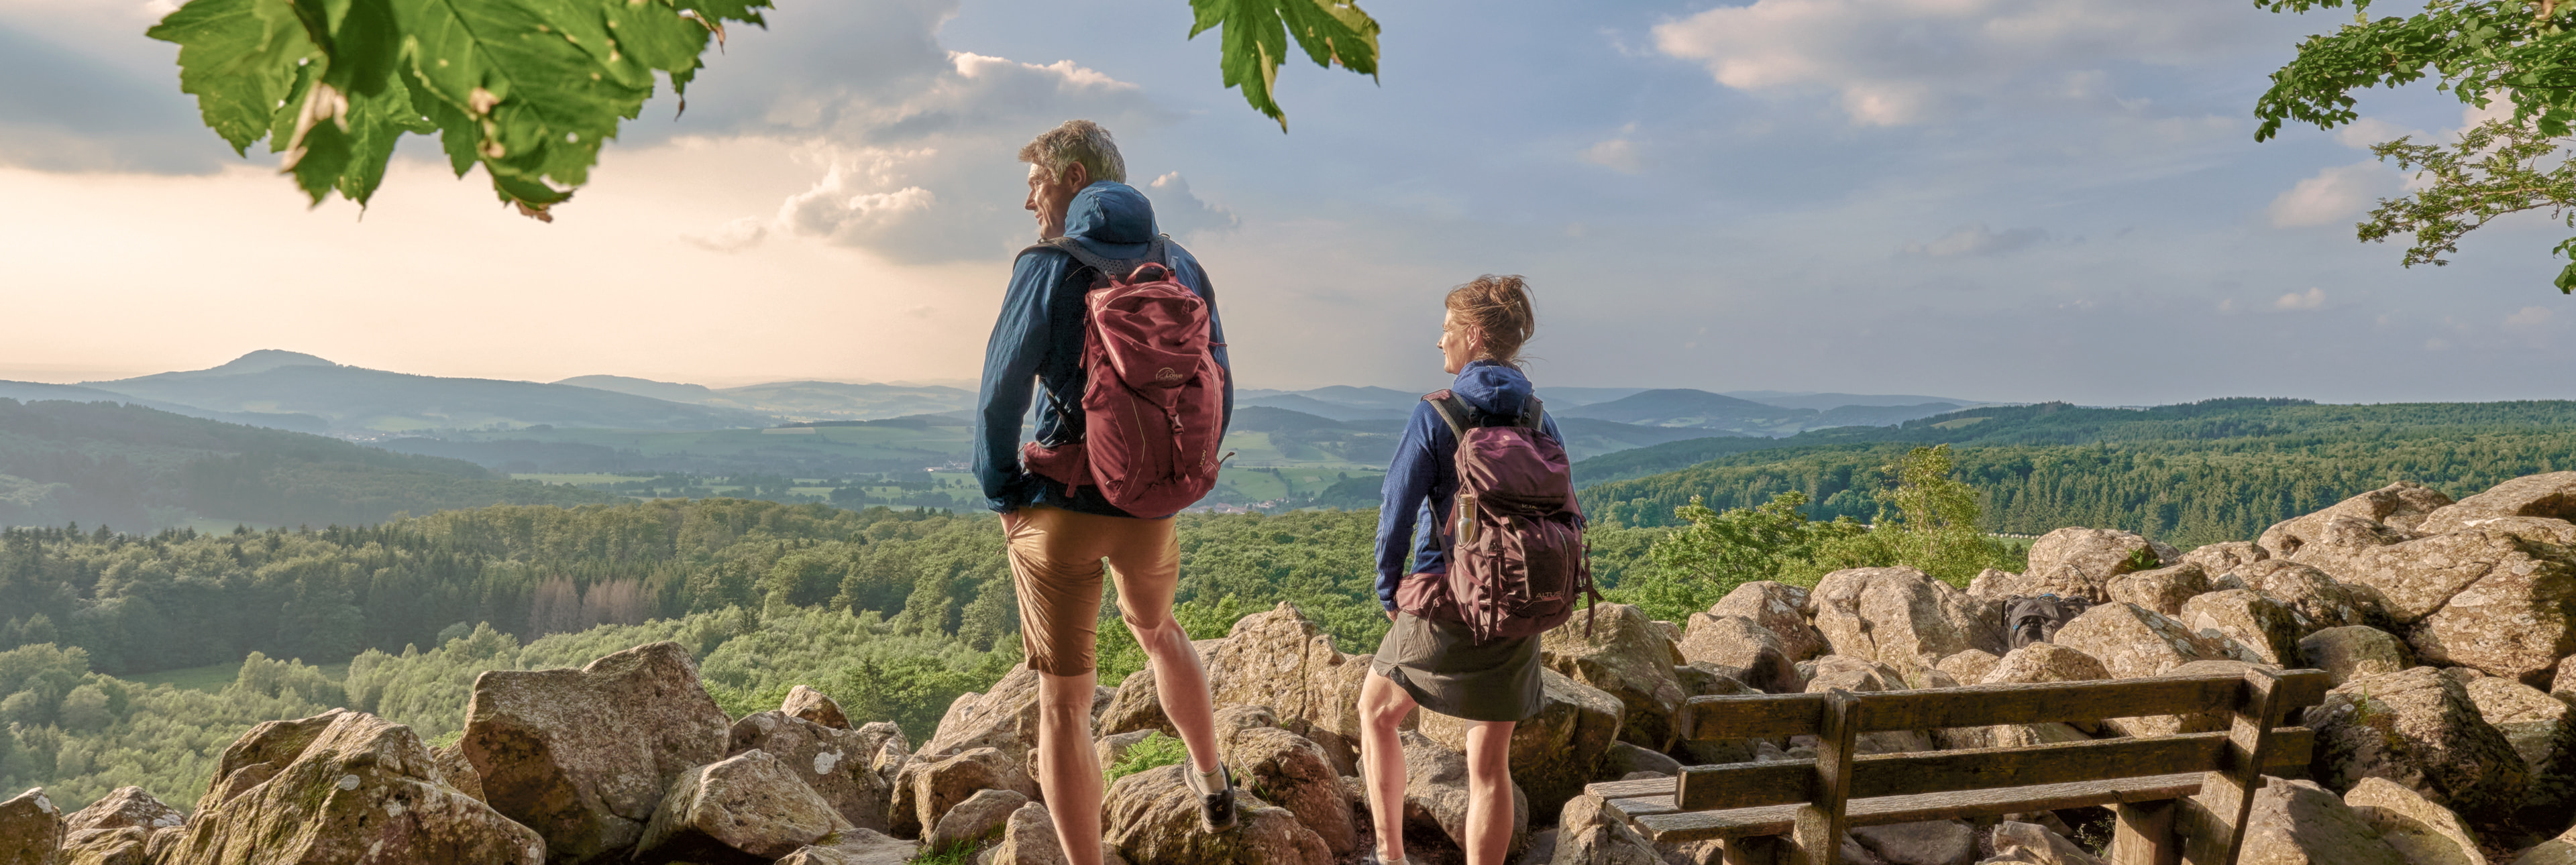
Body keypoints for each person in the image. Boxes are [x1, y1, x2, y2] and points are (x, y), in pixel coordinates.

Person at [973, 119, 1238, 864]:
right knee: (1159, 632)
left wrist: (1004, 492)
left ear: (1074, 175)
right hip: (1150, 511)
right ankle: (1212, 778)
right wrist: (1180, 477)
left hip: (1059, 514)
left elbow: (999, 397)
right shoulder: (1180, 262)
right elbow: (1220, 385)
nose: (1030, 202)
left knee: (1064, 706)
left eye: (1035, 184)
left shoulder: (1047, 265)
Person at [1360, 275, 1558, 865]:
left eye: (1447, 331)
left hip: (1444, 596)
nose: (1439, 341)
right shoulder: (1539, 417)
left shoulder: (1440, 413)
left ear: (1473, 337)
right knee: (1489, 764)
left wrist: (1388, 587)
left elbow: (1396, 507)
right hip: (1517, 603)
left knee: (1376, 711)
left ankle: (1391, 857)